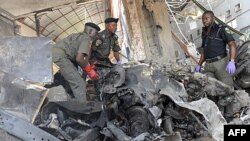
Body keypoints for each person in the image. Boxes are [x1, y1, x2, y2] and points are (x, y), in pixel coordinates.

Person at [52, 22, 101, 102]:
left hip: (51, 54)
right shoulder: (87, 38)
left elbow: (75, 57)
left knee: (66, 80)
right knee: (79, 83)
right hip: (60, 57)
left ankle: (69, 101)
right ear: (90, 32)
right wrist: (89, 71)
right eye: (96, 33)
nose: (96, 36)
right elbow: (79, 59)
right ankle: (82, 110)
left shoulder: (75, 35)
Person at [194, 10, 237, 86]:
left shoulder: (221, 29)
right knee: (210, 88)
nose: (204, 21)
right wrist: (199, 64)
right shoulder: (204, 33)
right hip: (208, 66)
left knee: (227, 88)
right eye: (203, 19)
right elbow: (204, 51)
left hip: (220, 64)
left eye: (206, 18)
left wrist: (232, 61)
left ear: (213, 18)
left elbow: (232, 44)